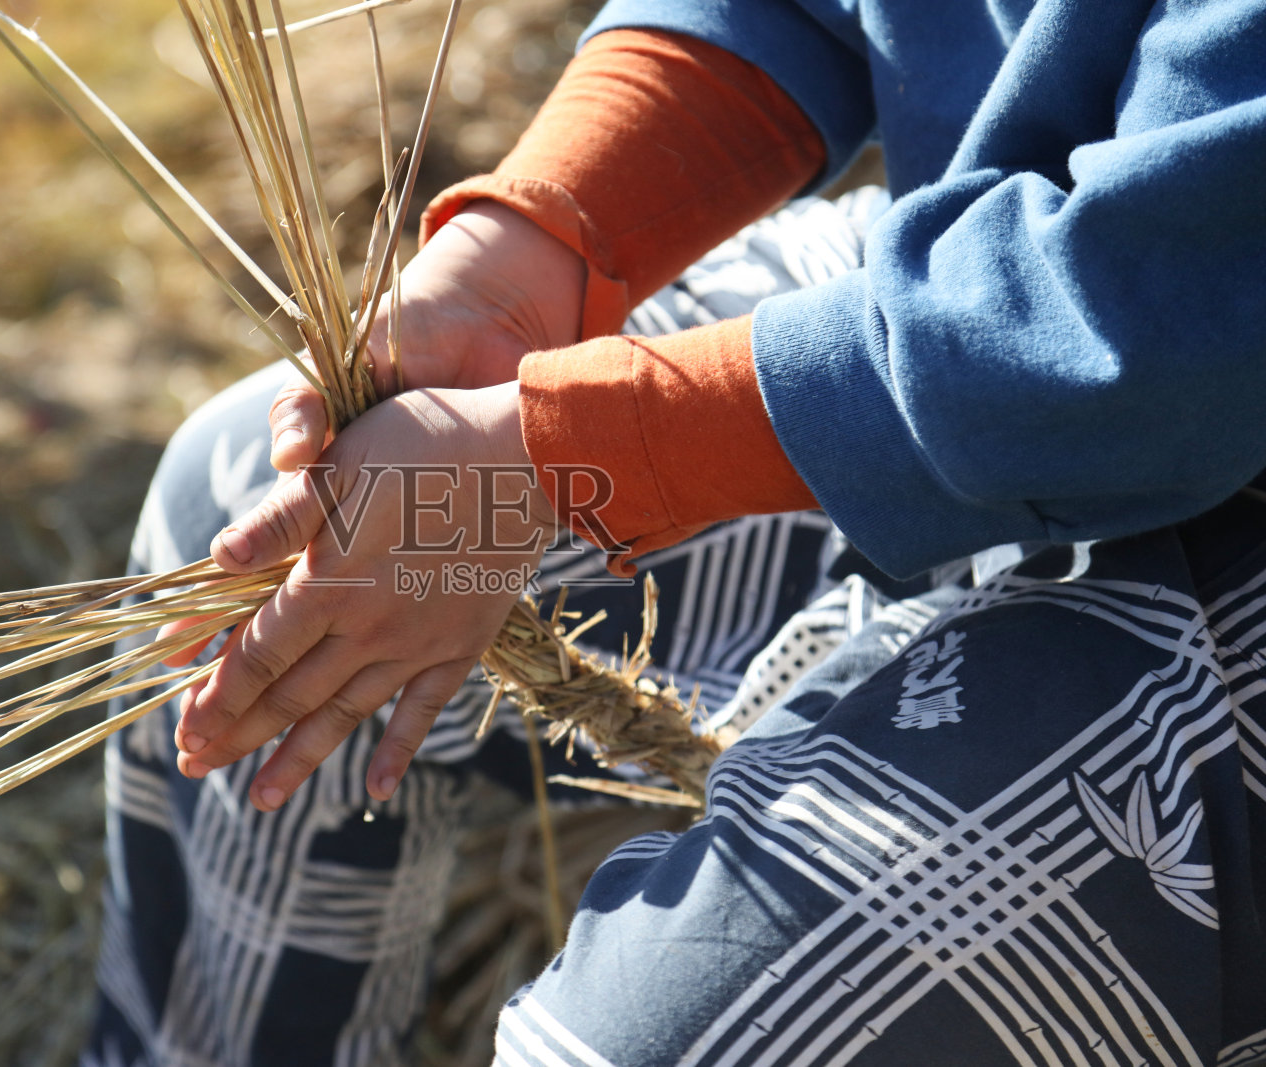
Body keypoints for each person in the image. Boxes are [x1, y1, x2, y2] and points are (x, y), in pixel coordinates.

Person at [82, 1, 1266, 1064]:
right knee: (250, 517)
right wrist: (523, 257)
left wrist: (551, 454)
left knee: (636, 1042)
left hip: (1191, 417)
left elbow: (1149, 325)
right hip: (964, 247)